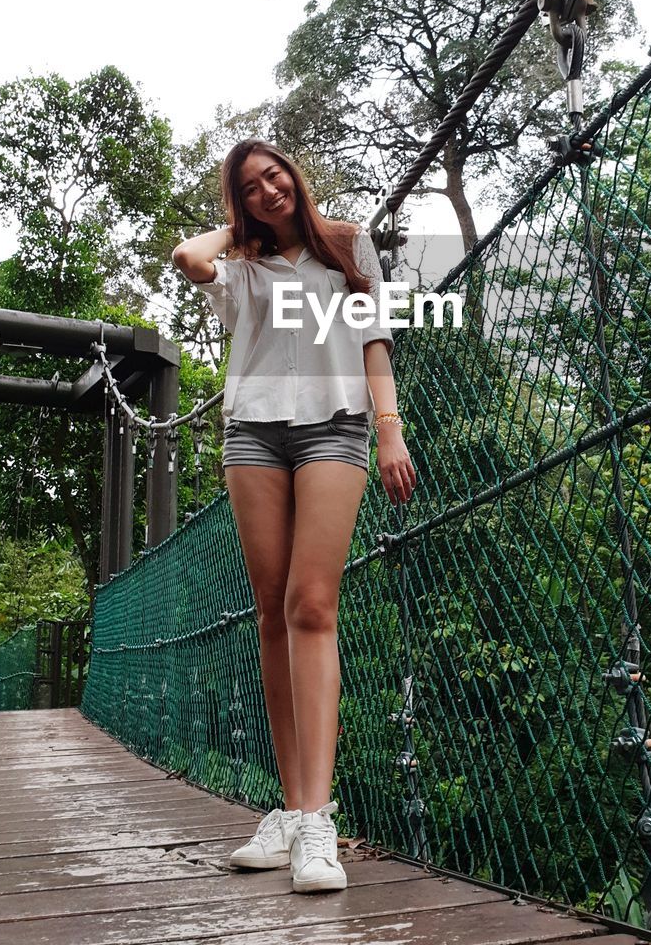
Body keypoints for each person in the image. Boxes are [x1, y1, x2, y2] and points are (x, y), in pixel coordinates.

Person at [171, 139, 416, 894]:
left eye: (274, 175)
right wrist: (240, 232)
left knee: (312, 606)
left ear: (294, 174)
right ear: (238, 203)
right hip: (253, 432)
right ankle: (289, 808)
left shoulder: (348, 244)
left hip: (336, 423)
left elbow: (374, 342)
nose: (268, 190)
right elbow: (188, 257)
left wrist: (391, 431)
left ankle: (318, 821)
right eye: (249, 188)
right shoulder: (241, 267)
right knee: (271, 615)